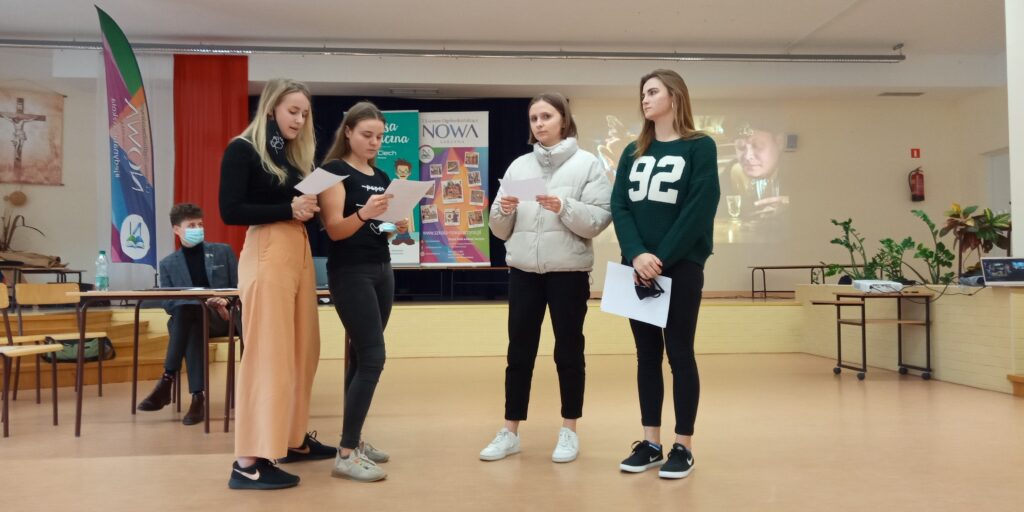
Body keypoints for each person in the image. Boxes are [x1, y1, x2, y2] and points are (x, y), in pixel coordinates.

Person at [481, 92, 612, 464]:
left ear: (564, 120)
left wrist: (563, 206)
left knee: (568, 353)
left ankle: (569, 430)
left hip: (568, 274)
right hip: (524, 273)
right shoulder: (520, 166)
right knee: (518, 353)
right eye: (534, 118)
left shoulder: (587, 164)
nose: (539, 124)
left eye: (546, 116)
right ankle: (510, 432)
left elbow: (598, 219)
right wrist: (504, 210)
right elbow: (499, 230)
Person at [219, 78, 335, 491]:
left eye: (305, 114)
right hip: (267, 250)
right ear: (271, 109)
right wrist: (289, 207)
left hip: (296, 250)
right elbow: (230, 210)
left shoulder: (290, 156)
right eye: (292, 111)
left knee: (303, 349)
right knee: (268, 354)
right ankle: (248, 462)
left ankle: (291, 438)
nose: (299, 120)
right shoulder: (242, 149)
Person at [611, 69, 719, 480]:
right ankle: (651, 443)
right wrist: (637, 255)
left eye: (653, 92)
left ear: (674, 96)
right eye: (643, 93)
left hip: (681, 267)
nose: (645, 98)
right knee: (646, 356)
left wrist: (660, 258)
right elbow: (620, 205)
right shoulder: (632, 152)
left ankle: (683, 446)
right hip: (636, 270)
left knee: (680, 354)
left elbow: (700, 206)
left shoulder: (700, 146)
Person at [319, 101, 408, 483]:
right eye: (367, 135)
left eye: (379, 137)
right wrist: (365, 213)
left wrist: (394, 225)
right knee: (373, 357)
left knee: (360, 357)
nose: (374, 142)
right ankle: (345, 455)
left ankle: (353, 440)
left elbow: (378, 230)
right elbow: (335, 229)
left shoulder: (382, 174)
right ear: (348, 132)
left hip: (382, 269)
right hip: (349, 272)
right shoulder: (332, 172)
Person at [137, 203, 237, 426]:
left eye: (200, 224)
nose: (197, 229)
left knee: (188, 314)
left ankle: (167, 381)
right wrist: (196, 302)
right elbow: (168, 302)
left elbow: (239, 288)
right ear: (176, 229)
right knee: (190, 313)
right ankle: (197, 397)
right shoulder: (167, 264)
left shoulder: (223, 252)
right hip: (193, 319)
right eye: (191, 225)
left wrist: (226, 301)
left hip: (221, 317)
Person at [722, 123, 789, 220]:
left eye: (757, 146)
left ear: (780, 143)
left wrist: (796, 206)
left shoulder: (801, 173)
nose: (748, 156)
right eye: (741, 147)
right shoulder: (732, 173)